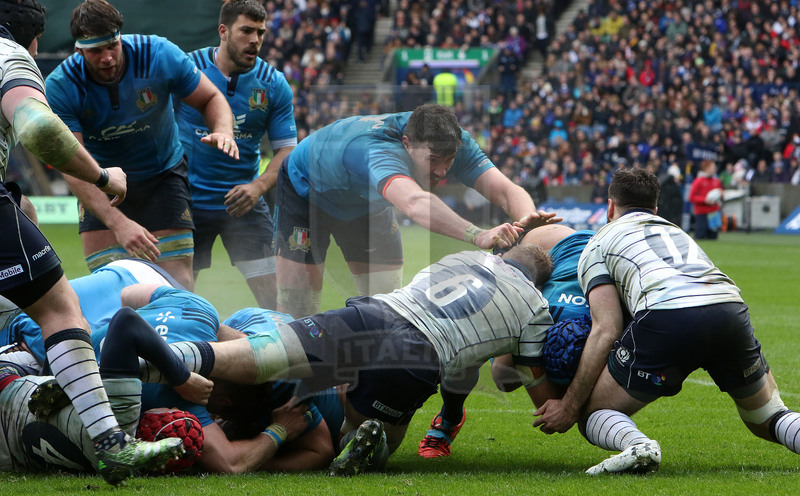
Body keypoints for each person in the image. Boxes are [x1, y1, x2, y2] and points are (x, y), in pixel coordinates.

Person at [142, 244, 560, 475]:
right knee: (363, 435)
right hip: (414, 354)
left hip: (369, 314)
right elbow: (528, 380)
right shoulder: (535, 305)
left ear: (506, 256)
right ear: (541, 282)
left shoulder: (462, 257)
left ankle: (170, 359)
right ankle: (364, 437)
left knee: (259, 355)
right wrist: (561, 403)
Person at [0, 1, 184, 485]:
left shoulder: (154, 55)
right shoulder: (10, 54)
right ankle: (109, 442)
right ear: (30, 37)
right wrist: (102, 175)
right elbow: (38, 127)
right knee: (60, 310)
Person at [532, 168, 800, 475]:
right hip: (729, 309)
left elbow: (606, 328)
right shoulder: (675, 230)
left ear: (609, 208)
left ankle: (638, 446)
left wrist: (568, 406)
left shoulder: (598, 242)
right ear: (655, 209)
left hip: (668, 315)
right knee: (766, 418)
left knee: (593, 410)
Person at [275, 103, 556, 318]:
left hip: (365, 202)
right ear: (407, 144)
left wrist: (525, 221)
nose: (442, 171)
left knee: (386, 307)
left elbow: (505, 190)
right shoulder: (377, 149)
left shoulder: (451, 140)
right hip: (307, 193)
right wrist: (477, 234)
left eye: (449, 160)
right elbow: (415, 202)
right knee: (297, 309)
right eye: (433, 160)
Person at [45, 0, 239, 290]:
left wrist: (224, 130)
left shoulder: (159, 54)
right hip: (101, 185)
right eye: (96, 51)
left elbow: (210, 98)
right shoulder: (62, 86)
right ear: (79, 51)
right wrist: (118, 223)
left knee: (177, 285)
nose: (107, 58)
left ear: (120, 37)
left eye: (112, 46)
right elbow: (72, 166)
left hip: (162, 176)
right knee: (110, 288)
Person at [417, 224, 594, 458]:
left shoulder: (614, 309)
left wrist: (569, 405)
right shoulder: (541, 303)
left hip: (578, 293)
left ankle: (446, 417)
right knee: (485, 354)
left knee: (496, 364)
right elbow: (502, 378)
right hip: (549, 254)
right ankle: (449, 417)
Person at [177, 0, 297, 309]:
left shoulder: (273, 84)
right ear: (223, 31)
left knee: (277, 301)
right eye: (246, 31)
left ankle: (285, 354)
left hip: (243, 202)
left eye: (260, 32)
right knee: (175, 299)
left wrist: (258, 187)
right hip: (187, 204)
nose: (255, 40)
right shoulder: (186, 70)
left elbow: (287, 149)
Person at [0, 302, 205, 478]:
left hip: (8, 390)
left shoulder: (119, 417)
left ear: (154, 422)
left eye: (173, 411)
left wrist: (182, 379)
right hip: (9, 453)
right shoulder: (112, 463)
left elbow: (126, 321)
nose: (174, 405)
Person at [688, 159, 723, 240]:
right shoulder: (699, 181)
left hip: (713, 213)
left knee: (713, 237)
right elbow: (692, 197)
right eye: (712, 167)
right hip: (702, 213)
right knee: (700, 236)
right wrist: (705, 200)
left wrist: (721, 194)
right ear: (706, 168)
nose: (715, 169)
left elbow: (721, 194)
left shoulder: (716, 181)